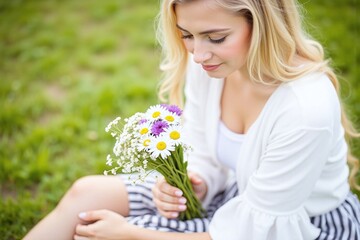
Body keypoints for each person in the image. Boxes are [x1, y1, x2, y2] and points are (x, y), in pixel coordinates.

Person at [23, 0, 360, 239]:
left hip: (296, 227)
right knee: (86, 193)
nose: (197, 54)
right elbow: (204, 152)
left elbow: (252, 231)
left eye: (216, 38)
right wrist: (196, 182)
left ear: (262, 24)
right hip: (238, 197)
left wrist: (130, 234)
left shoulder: (305, 107)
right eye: (187, 35)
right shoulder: (213, 67)